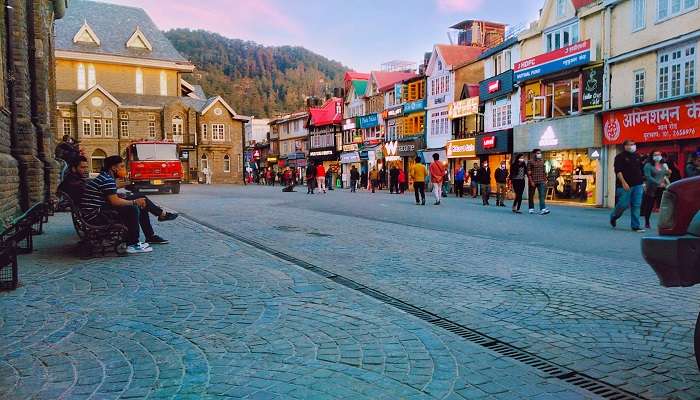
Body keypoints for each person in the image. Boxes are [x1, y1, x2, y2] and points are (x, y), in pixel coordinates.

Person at [81, 156, 175, 254]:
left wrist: (123, 195)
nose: (123, 169)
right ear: (113, 168)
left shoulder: (105, 177)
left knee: (141, 198)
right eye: (121, 166)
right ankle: (133, 243)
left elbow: (108, 196)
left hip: (99, 210)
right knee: (133, 207)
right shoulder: (107, 180)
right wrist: (134, 202)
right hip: (97, 216)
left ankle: (151, 234)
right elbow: (114, 201)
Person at [610, 140, 645, 232]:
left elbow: (641, 170)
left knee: (636, 205)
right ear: (625, 146)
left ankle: (635, 226)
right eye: (630, 144)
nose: (632, 146)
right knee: (623, 204)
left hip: (638, 184)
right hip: (625, 185)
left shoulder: (637, 156)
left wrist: (643, 182)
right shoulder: (620, 157)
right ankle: (614, 216)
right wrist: (623, 182)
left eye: (633, 144)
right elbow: (618, 171)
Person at [641, 150, 671, 229]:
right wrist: (657, 183)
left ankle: (664, 223)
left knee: (663, 206)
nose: (658, 156)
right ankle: (647, 222)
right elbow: (648, 177)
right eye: (655, 154)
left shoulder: (663, 165)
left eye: (659, 154)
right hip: (651, 188)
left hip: (662, 188)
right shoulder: (648, 165)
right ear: (652, 156)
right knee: (649, 206)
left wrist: (668, 173)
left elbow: (666, 175)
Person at [527, 149, 550, 215]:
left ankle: (542, 209)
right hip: (533, 181)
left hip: (541, 181)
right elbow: (528, 173)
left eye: (540, 153)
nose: (539, 154)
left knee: (542, 195)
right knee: (531, 195)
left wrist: (545, 179)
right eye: (537, 153)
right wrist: (531, 181)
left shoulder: (542, 161)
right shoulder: (530, 162)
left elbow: (544, 171)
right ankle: (531, 208)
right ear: (534, 154)